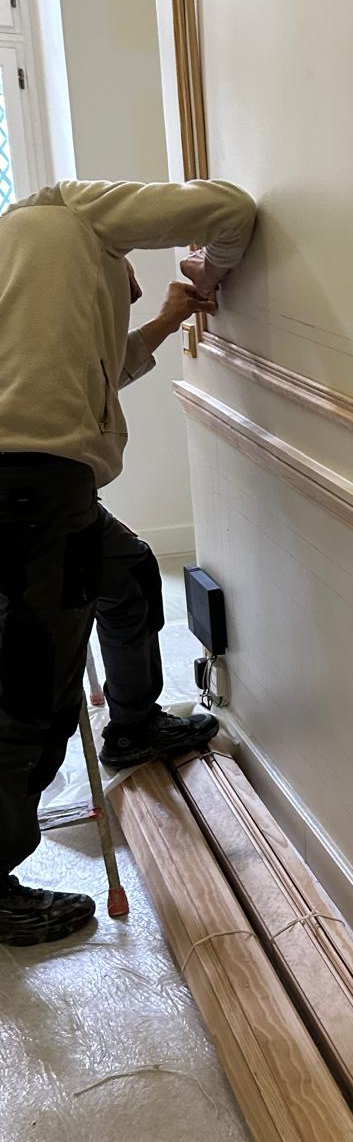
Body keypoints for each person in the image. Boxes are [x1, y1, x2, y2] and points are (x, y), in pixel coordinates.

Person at [0, 177, 257, 946]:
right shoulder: (73, 209)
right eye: (132, 274)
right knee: (32, 697)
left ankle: (135, 725)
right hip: (32, 488)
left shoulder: (25, 276)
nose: (137, 281)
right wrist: (208, 275)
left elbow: (94, 374)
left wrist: (164, 319)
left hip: (38, 486)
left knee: (130, 570)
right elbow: (230, 210)